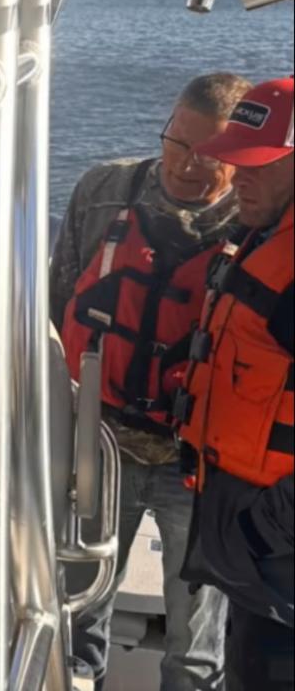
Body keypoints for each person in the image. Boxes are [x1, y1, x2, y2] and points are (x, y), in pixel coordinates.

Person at [51, 73, 254, 690]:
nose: (186, 165)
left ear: (239, 157)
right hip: (100, 445)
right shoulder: (104, 192)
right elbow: (57, 300)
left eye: (209, 155)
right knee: (75, 610)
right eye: (177, 142)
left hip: (196, 466)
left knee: (195, 642)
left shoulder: (259, 225)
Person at [174, 76, 294, 691]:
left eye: (261, 165)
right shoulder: (263, 236)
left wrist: (263, 531)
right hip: (252, 565)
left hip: (278, 566)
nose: (239, 177)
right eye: (237, 161)